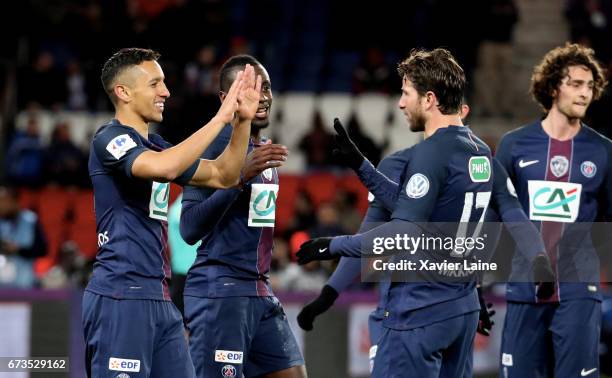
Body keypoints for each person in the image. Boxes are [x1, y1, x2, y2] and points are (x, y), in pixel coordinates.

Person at [297, 104, 554, 375]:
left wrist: (474, 288)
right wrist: (328, 294)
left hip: (430, 310)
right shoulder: (399, 164)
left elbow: (467, 236)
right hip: (408, 312)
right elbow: (371, 235)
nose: (402, 104)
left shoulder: (482, 166)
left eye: (408, 94)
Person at [296, 48, 493, 378]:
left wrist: (332, 244)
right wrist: (363, 168)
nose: (401, 103)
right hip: (461, 309)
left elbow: (404, 230)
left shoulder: (428, 156)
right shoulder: (480, 151)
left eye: (405, 93)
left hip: (418, 311)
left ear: (429, 99)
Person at [82, 47, 262, 378]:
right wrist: (219, 119)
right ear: (123, 92)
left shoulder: (158, 145)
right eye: (155, 84)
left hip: (160, 297)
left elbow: (224, 175)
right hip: (121, 294)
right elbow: (164, 170)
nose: (166, 91)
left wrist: (241, 122)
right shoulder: (108, 139)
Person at [180, 55, 306, 378]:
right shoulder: (213, 144)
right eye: (249, 87)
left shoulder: (260, 145)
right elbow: (189, 227)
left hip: (260, 291)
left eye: (265, 87)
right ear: (225, 98)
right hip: (220, 292)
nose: (261, 96)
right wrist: (238, 180)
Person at [496, 43, 611, 378]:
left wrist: (586, 258)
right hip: (523, 289)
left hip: (578, 292)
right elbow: (493, 213)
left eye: (590, 86)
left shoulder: (604, 152)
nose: (585, 93)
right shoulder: (513, 145)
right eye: (575, 84)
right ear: (552, 87)